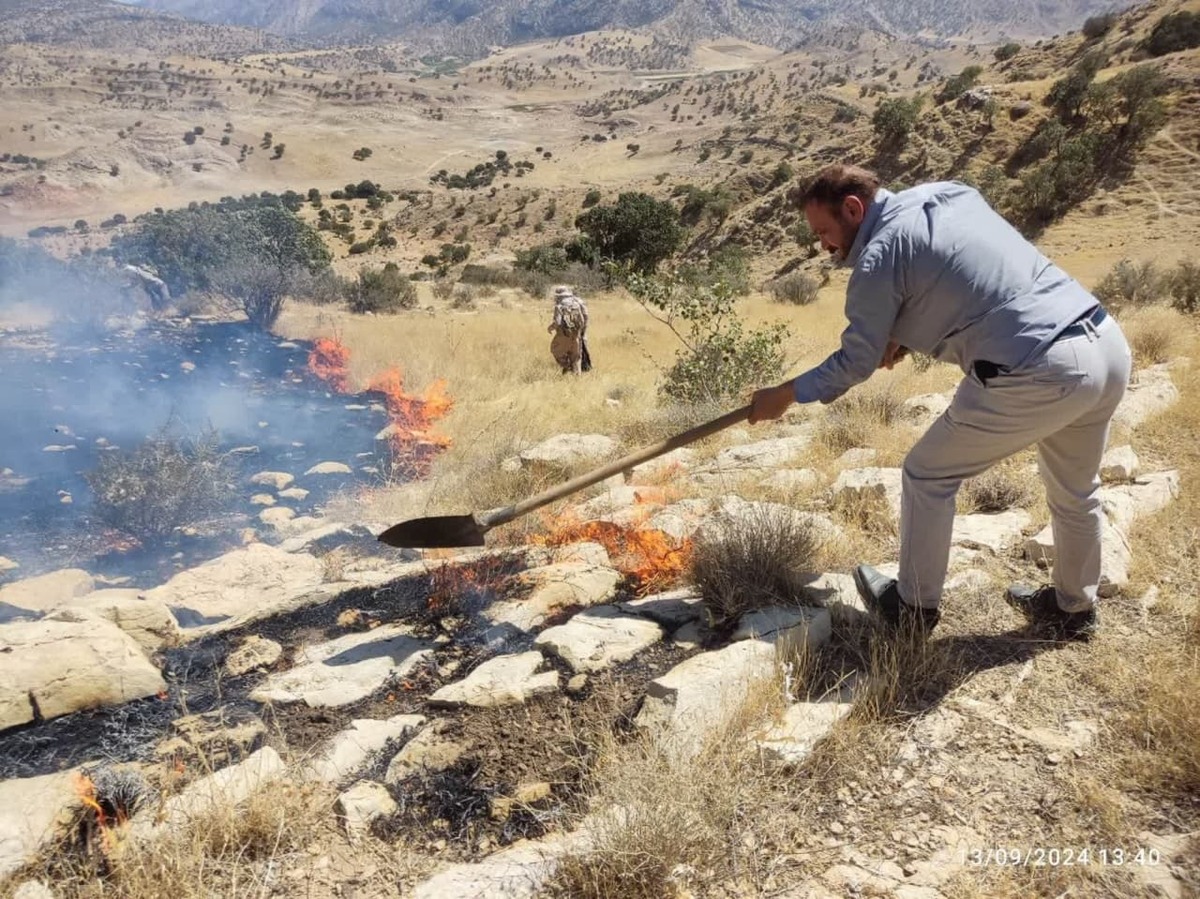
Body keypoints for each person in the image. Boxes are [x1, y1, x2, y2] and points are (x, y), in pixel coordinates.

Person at [749, 164, 1131, 641]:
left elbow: (855, 361)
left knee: (927, 474)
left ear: (853, 209)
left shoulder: (876, 258)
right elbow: (962, 275)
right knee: (1077, 491)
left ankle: (911, 608)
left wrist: (782, 396)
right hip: (1104, 342)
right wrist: (906, 336)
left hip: (1038, 368)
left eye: (824, 231)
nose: (824, 246)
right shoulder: (951, 193)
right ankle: (1073, 610)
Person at [547, 285, 592, 375]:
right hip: (576, 334)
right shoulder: (577, 303)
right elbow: (584, 318)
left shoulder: (559, 306)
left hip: (564, 334)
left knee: (555, 350)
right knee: (576, 357)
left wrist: (550, 328)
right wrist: (581, 331)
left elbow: (558, 322)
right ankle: (577, 377)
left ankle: (567, 366)